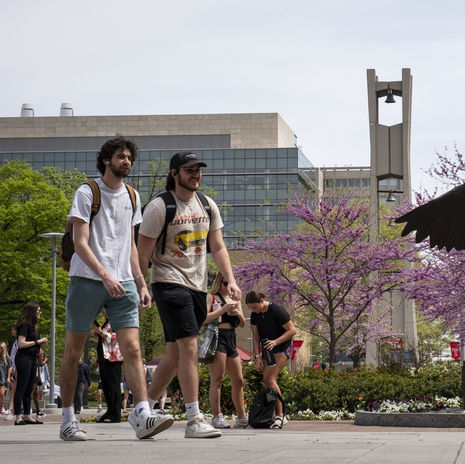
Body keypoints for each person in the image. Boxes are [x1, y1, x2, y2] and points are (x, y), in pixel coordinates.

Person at [59, 136, 173, 441]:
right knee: (73, 352)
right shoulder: (87, 192)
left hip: (124, 281)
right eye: (121, 157)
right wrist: (104, 274)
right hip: (87, 279)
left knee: (133, 350)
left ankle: (143, 414)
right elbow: (81, 243)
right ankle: (69, 419)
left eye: (130, 158)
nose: (127, 162)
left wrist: (140, 282)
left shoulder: (134, 196)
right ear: (107, 160)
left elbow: (131, 246)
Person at [138, 151, 242, 438]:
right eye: (189, 170)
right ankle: (194, 418)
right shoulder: (159, 208)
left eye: (198, 170)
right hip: (168, 283)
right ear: (175, 173)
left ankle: (142, 410)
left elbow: (218, 247)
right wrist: (141, 285)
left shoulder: (208, 205)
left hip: (197, 285)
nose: (196, 174)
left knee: (173, 354)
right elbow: (142, 253)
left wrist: (230, 280)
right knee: (190, 346)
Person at [245, 291, 296, 429]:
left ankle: (280, 415)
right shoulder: (255, 315)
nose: (253, 310)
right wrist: (256, 357)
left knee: (270, 379)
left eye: (254, 307)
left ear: (262, 301)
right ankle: (271, 415)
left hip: (282, 346)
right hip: (268, 349)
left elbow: (292, 331)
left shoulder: (277, 310)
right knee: (267, 380)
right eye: (250, 308)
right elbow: (256, 338)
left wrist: (275, 342)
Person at [204, 272, 248, 429]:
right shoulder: (212, 297)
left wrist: (237, 314)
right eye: (224, 283)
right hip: (217, 337)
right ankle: (217, 416)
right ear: (219, 283)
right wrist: (222, 310)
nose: (227, 287)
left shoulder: (235, 299)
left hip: (231, 338)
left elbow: (242, 323)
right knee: (218, 379)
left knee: (238, 380)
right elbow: (204, 319)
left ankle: (242, 417)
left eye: (229, 284)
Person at [13, 302, 48, 425]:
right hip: (24, 358)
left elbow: (31, 342)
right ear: (32, 312)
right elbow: (21, 344)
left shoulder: (33, 327)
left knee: (30, 388)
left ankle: (27, 415)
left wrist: (38, 344)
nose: (40, 312)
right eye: (38, 310)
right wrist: (37, 341)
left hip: (32, 358)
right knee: (21, 387)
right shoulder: (24, 325)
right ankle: (18, 417)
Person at [92, 310, 123, 422]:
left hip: (113, 359)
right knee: (107, 386)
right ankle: (110, 410)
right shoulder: (106, 322)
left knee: (113, 386)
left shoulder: (116, 321)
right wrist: (98, 334)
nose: (102, 312)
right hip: (104, 358)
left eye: (104, 310)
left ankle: (116, 414)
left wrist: (100, 333)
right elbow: (105, 339)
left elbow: (116, 338)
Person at [6, 325, 18, 419]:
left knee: (15, 391)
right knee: (13, 391)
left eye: (12, 329)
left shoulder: (19, 342)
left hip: (18, 369)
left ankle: (14, 411)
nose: (11, 331)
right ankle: (12, 410)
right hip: (15, 369)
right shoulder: (15, 342)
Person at [0, 342, 12, 415]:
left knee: (1, 394)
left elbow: (10, 367)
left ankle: (1, 407)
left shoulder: (7, 357)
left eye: (1, 348)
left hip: (3, 378)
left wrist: (8, 377)